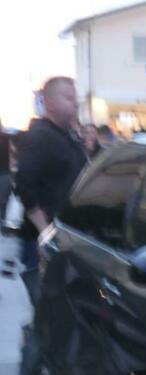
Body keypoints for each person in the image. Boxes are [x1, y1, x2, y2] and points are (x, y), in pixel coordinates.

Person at [14, 77, 88, 271]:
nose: (75, 102)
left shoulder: (67, 136)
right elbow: (24, 183)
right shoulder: (39, 136)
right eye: (68, 97)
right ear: (50, 103)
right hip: (44, 239)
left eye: (75, 98)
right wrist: (44, 230)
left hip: (68, 234)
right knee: (47, 296)